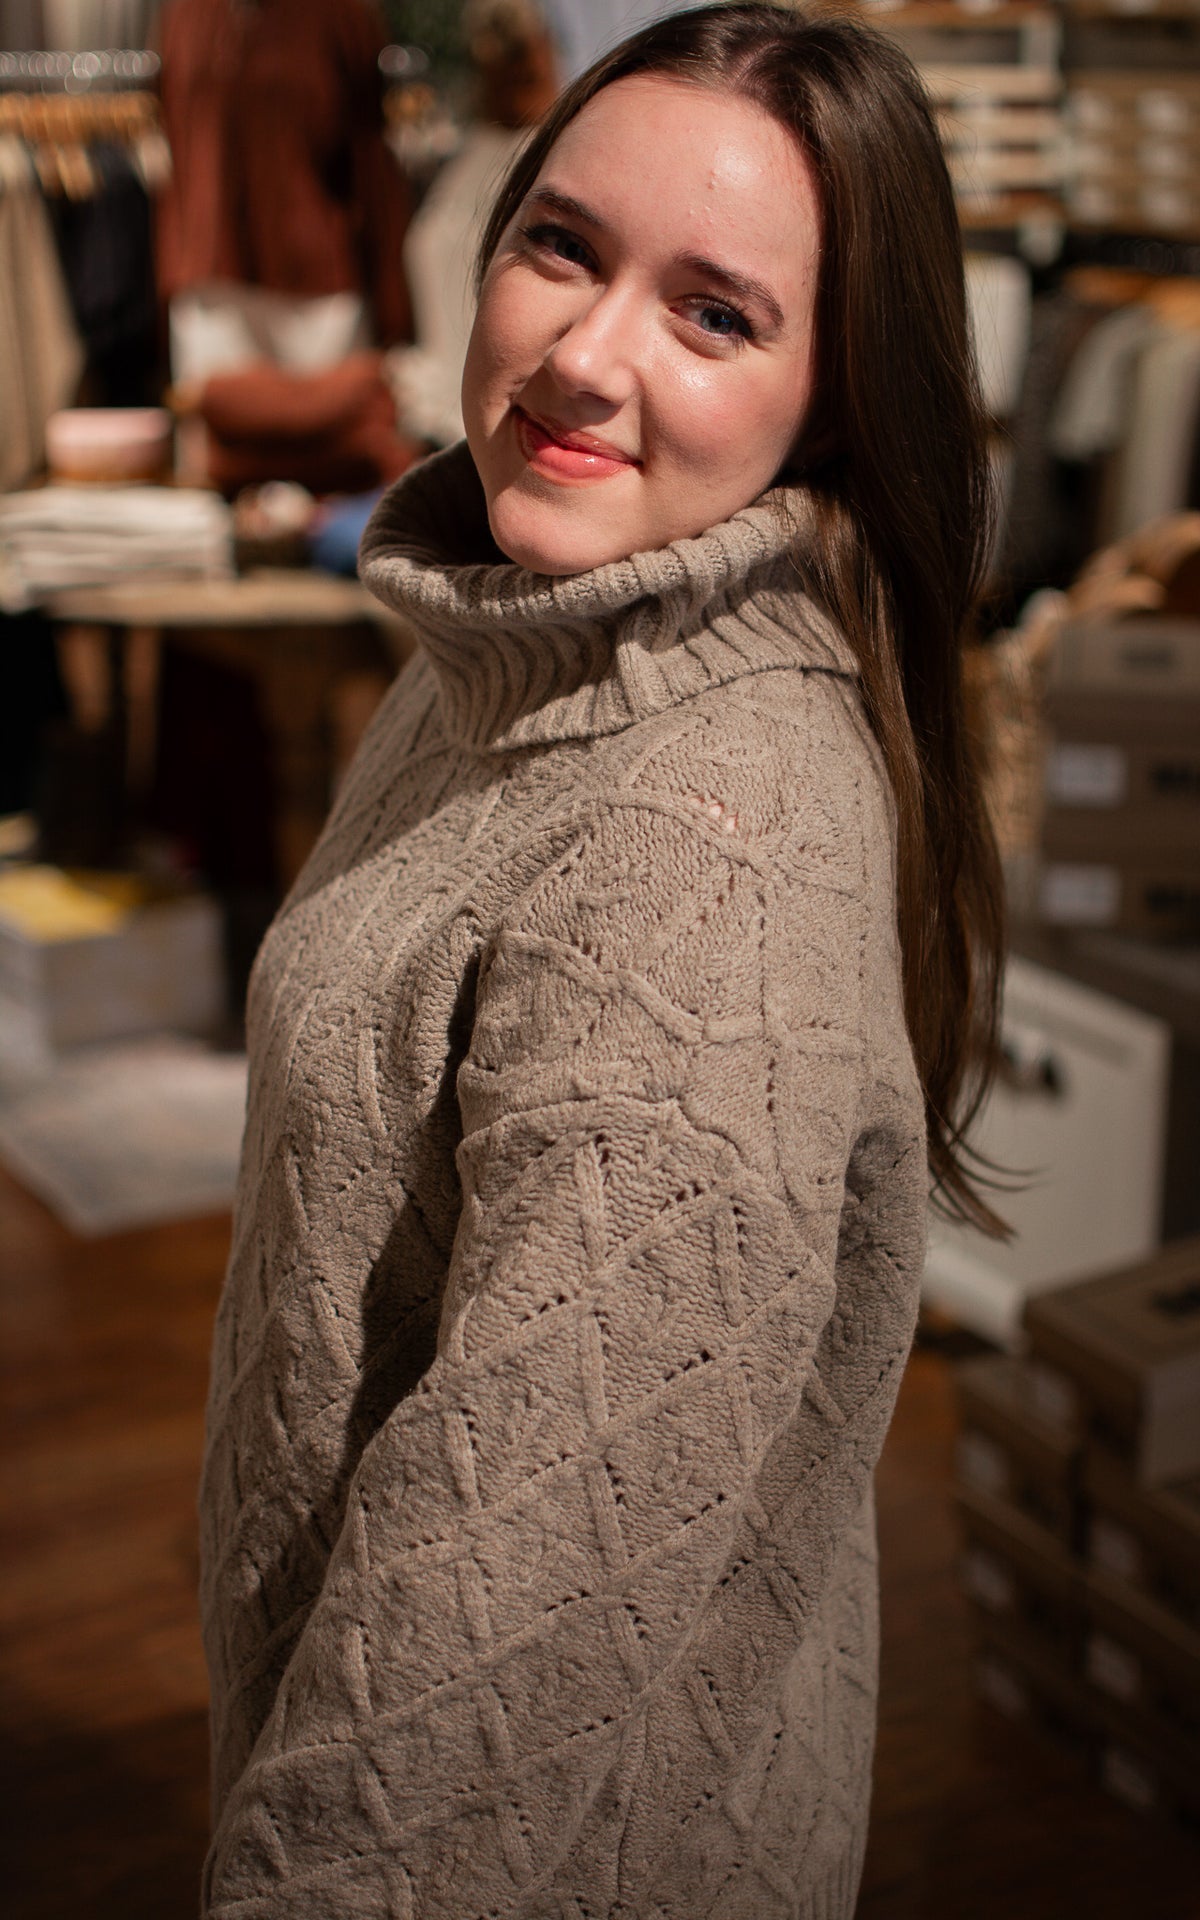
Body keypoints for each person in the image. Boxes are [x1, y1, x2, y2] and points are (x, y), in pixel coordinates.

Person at [198, 6, 1006, 1915]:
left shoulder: (698, 853)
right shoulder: (519, 635)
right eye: (561, 245)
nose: (582, 356)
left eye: (714, 313)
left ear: (832, 398)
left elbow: (490, 1653)